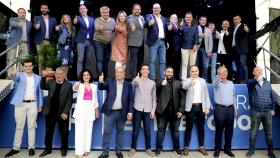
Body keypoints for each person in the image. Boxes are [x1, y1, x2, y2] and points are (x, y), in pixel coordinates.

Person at [5, 59, 43, 157]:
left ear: (33, 66)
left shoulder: (38, 78)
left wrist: (40, 105)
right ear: (23, 67)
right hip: (20, 104)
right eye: (26, 66)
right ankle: (15, 148)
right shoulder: (19, 75)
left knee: (31, 126)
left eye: (30, 66)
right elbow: (14, 79)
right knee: (19, 126)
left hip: (33, 104)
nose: (28, 68)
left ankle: (31, 147)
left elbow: (40, 92)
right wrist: (13, 74)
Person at [98, 66, 134, 158]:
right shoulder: (110, 81)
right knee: (107, 132)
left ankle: (118, 151)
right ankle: (105, 152)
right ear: (115, 73)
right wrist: (101, 81)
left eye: (121, 72)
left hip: (122, 112)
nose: (119, 74)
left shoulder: (128, 84)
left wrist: (130, 112)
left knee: (120, 132)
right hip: (110, 112)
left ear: (124, 74)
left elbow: (130, 99)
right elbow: (102, 87)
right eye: (117, 72)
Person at [39, 67, 73, 157]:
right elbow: (42, 86)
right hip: (50, 112)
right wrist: (43, 76)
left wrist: (65, 112)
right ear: (55, 74)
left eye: (60, 74)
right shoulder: (50, 82)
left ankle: (64, 149)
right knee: (48, 132)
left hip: (62, 113)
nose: (58, 75)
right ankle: (47, 149)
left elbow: (69, 100)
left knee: (64, 133)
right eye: (57, 73)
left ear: (64, 75)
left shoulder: (69, 85)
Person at [246, 67, 277, 158]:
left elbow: (272, 96)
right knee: (253, 132)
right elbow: (250, 84)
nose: (259, 72)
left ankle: (270, 152)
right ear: (253, 72)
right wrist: (256, 80)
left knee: (269, 133)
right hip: (256, 111)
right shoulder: (251, 83)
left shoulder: (268, 83)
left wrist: (273, 108)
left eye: (260, 70)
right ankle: (251, 151)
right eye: (257, 70)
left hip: (267, 112)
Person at [182, 65, 211, 156]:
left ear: (198, 71)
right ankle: (186, 147)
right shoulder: (187, 80)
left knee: (201, 128)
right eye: (192, 71)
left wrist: (207, 106)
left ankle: (201, 147)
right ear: (190, 72)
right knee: (189, 128)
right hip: (190, 107)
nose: (194, 73)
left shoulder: (202, 81)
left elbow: (206, 94)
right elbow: (184, 87)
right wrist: (190, 83)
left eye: (196, 71)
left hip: (201, 107)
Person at [155, 66, 184, 156]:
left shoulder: (178, 83)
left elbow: (183, 98)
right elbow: (156, 90)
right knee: (161, 130)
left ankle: (177, 148)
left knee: (175, 131)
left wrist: (181, 110)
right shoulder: (159, 82)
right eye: (168, 72)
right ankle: (158, 149)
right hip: (162, 111)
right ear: (165, 73)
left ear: (173, 73)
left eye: (171, 72)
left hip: (175, 112)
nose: (169, 73)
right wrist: (160, 85)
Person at [129, 64, 156, 157]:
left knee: (147, 130)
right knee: (135, 130)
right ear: (140, 71)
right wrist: (134, 81)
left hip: (148, 109)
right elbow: (132, 85)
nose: (145, 71)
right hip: (137, 108)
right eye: (143, 69)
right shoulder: (137, 81)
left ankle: (148, 148)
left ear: (149, 71)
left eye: (146, 69)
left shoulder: (152, 83)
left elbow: (154, 98)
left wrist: (153, 110)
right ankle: (133, 148)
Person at [73, 69, 99, 158]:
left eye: (87, 75)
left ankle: (85, 150)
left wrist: (96, 110)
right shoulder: (79, 85)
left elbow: (95, 99)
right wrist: (77, 85)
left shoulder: (94, 86)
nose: (86, 76)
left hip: (90, 111)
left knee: (88, 132)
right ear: (82, 77)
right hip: (80, 111)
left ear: (90, 76)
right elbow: (74, 88)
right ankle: (79, 152)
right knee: (79, 132)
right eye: (84, 75)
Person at [213, 66, 236, 157]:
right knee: (219, 130)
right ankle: (217, 149)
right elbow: (215, 83)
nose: (224, 73)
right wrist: (219, 75)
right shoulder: (217, 82)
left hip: (230, 109)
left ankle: (227, 149)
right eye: (222, 72)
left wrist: (235, 109)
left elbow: (233, 97)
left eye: (225, 72)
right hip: (220, 109)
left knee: (229, 131)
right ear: (218, 73)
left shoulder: (231, 83)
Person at [145, 3, 168, 80]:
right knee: (152, 61)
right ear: (152, 9)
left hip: (162, 42)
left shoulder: (163, 19)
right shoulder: (149, 16)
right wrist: (149, 23)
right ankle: (152, 79)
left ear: (160, 9)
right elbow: (146, 23)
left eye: (157, 8)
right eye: (154, 8)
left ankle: (162, 79)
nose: (156, 9)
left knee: (163, 61)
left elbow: (165, 31)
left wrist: (166, 41)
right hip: (154, 42)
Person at [6, 8, 32, 76]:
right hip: (14, 42)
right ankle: (10, 75)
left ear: (25, 14)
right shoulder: (13, 19)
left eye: (24, 12)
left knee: (24, 60)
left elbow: (28, 34)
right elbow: (12, 24)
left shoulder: (29, 23)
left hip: (24, 43)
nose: (22, 14)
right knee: (12, 59)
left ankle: (21, 75)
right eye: (20, 12)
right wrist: (18, 24)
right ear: (18, 13)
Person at [33, 3, 57, 75]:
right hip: (40, 41)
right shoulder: (36, 18)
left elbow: (56, 30)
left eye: (46, 8)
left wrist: (57, 29)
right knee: (41, 60)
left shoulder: (53, 19)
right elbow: (35, 27)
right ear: (41, 9)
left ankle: (48, 77)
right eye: (43, 8)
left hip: (50, 42)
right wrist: (36, 26)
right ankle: (41, 77)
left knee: (49, 60)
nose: (44, 9)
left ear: (48, 9)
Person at [73, 4, 95, 78]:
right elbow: (75, 22)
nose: (82, 10)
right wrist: (75, 21)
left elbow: (93, 30)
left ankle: (87, 77)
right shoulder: (78, 18)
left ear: (86, 10)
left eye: (84, 8)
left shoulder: (91, 19)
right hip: (81, 41)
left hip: (90, 41)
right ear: (79, 11)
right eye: (81, 9)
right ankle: (79, 77)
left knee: (88, 59)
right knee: (80, 59)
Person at [94, 6, 116, 78]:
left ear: (109, 12)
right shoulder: (97, 20)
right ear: (101, 13)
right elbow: (97, 27)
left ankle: (105, 78)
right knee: (100, 60)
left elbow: (115, 29)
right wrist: (100, 28)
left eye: (107, 12)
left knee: (106, 60)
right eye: (104, 12)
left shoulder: (112, 20)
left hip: (108, 43)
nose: (105, 14)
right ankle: (100, 77)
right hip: (99, 42)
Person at [127, 3, 145, 79]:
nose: (137, 11)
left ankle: (139, 76)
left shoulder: (142, 17)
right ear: (132, 10)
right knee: (133, 61)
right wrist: (132, 26)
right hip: (133, 42)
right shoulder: (130, 17)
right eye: (136, 9)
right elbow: (131, 23)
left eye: (138, 9)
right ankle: (133, 77)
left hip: (141, 42)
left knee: (141, 60)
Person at [180, 12, 199, 80]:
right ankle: (183, 79)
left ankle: (192, 78)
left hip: (193, 48)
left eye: (190, 17)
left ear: (192, 18)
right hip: (184, 47)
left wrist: (196, 44)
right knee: (184, 64)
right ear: (185, 18)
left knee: (192, 65)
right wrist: (181, 27)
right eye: (187, 17)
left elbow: (197, 36)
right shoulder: (182, 26)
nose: (188, 18)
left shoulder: (195, 26)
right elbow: (180, 35)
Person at [56, 14, 76, 79]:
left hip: (70, 47)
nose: (65, 18)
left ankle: (65, 77)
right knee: (63, 63)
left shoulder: (73, 28)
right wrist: (57, 28)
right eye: (63, 17)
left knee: (68, 63)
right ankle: (64, 78)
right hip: (63, 46)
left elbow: (74, 38)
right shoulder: (61, 26)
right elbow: (57, 28)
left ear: (69, 18)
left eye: (67, 17)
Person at [232, 15, 250, 83]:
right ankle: (239, 80)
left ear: (240, 19)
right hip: (235, 49)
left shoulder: (243, 26)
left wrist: (247, 29)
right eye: (234, 20)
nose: (235, 21)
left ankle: (245, 80)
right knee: (237, 66)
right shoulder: (234, 28)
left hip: (242, 49)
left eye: (237, 19)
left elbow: (247, 31)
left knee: (243, 64)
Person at [196, 16, 213, 81]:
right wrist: (200, 35)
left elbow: (210, 41)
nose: (203, 21)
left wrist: (210, 50)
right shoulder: (196, 28)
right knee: (196, 64)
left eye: (205, 20)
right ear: (199, 21)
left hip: (205, 50)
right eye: (202, 20)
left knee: (205, 65)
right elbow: (193, 36)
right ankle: (196, 79)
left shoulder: (208, 30)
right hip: (196, 48)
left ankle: (204, 80)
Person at [166, 14, 181, 80]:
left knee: (177, 65)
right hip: (171, 49)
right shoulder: (169, 24)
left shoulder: (178, 26)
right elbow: (168, 30)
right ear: (170, 19)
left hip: (178, 49)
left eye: (176, 18)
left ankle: (176, 78)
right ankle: (170, 78)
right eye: (173, 17)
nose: (175, 19)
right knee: (170, 65)